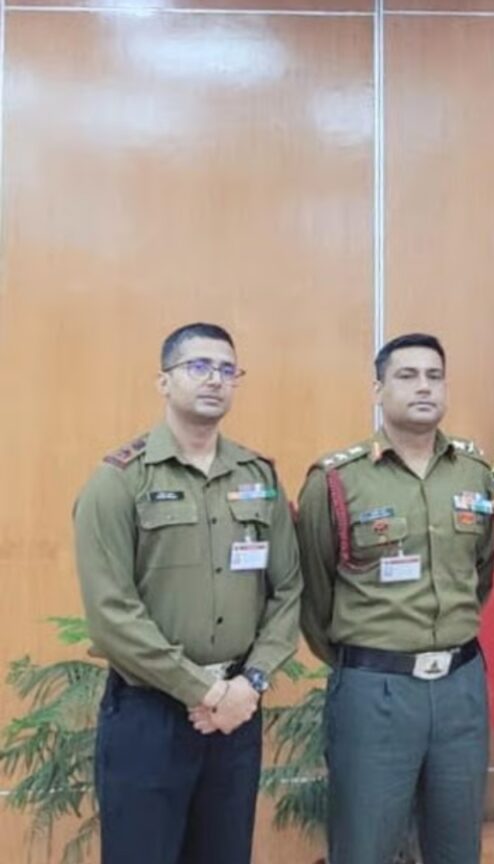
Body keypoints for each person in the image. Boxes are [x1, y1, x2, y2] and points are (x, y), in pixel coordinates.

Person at [74, 322, 301, 864]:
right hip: (150, 716)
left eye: (227, 370)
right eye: (198, 367)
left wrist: (250, 682)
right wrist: (202, 690)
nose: (214, 380)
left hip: (237, 714)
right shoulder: (119, 481)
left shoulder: (259, 477)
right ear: (164, 381)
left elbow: (288, 588)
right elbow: (112, 614)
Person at [295, 333, 494, 864]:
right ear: (379, 389)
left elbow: (478, 576)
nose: (423, 387)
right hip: (374, 691)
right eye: (407, 376)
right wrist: (367, 659)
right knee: (365, 847)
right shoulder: (337, 480)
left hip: (460, 689)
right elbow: (314, 595)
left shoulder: (474, 472)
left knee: (458, 848)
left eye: (434, 375)